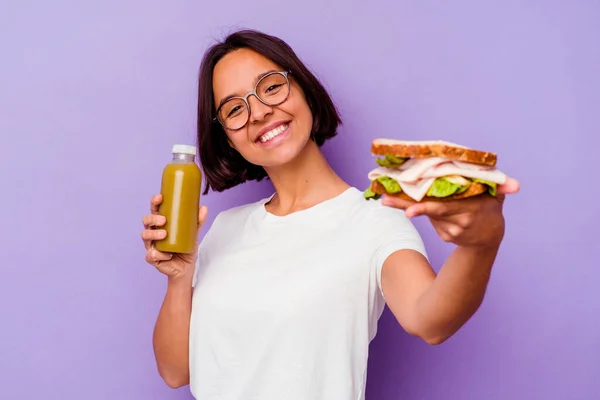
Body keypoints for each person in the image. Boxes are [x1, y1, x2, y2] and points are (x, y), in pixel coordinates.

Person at [141, 29, 520, 400]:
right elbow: (176, 373)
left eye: (271, 87)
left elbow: (430, 320)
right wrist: (180, 278)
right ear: (227, 136)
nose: (257, 112)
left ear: (303, 88)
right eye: (234, 109)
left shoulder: (373, 221)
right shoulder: (225, 229)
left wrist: (479, 245)